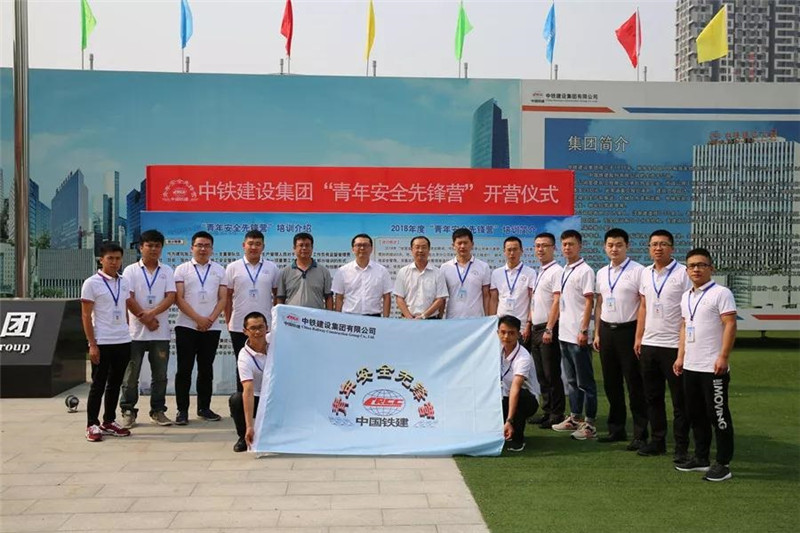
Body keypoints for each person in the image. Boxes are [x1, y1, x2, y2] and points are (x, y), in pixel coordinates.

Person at [673, 248, 737, 482]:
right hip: (691, 366)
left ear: (711, 268)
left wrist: (723, 357)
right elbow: (684, 326)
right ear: (687, 270)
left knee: (718, 416)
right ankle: (701, 458)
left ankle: (723, 464)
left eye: (701, 265)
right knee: (696, 414)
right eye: (691, 266)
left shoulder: (721, 293)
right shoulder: (686, 296)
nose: (696, 269)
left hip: (713, 368)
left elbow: (730, 324)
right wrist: (680, 356)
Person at [634, 230, 692, 461]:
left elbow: (689, 312)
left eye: (663, 244)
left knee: (680, 400)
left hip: (674, 346)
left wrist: (683, 348)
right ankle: (657, 441)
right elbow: (643, 307)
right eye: (654, 244)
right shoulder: (645, 273)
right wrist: (639, 337)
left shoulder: (683, 273)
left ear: (672, 248)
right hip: (649, 344)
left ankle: (681, 446)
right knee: (652, 397)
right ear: (649, 248)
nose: (658, 248)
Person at [593, 228, 648, 450]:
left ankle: (640, 433)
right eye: (610, 245)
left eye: (619, 245)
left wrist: (639, 336)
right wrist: (597, 332)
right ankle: (616, 429)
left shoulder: (638, 271)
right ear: (604, 247)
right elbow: (600, 304)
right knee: (611, 382)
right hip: (607, 331)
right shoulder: (601, 273)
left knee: (634, 384)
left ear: (627, 246)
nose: (614, 249)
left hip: (629, 331)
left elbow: (644, 305)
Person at [120, 229, 177, 428]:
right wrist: (144, 319)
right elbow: (128, 297)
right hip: (135, 333)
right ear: (140, 247)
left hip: (160, 332)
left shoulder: (167, 271)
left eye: (157, 246)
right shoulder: (130, 271)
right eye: (149, 245)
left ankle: (158, 410)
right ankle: (128, 410)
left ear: (162, 248)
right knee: (131, 375)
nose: (153, 249)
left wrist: (151, 315)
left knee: (160, 375)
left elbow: (171, 297)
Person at [174, 231, 228, 425]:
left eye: (207, 245)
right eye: (199, 245)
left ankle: (204, 408)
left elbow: (223, 298)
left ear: (212, 249)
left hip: (211, 327)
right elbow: (178, 298)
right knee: (184, 370)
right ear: (192, 248)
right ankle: (182, 411)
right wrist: (197, 318)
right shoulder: (182, 269)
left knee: (206, 370)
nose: (203, 249)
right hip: (186, 326)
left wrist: (210, 319)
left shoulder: (220, 270)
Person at [80, 242, 132, 442]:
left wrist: (127, 329)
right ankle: (91, 424)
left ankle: (109, 420)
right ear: (101, 260)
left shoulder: (124, 281)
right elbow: (86, 316)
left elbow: (124, 307)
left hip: (123, 340)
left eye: (118, 258)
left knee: (116, 383)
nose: (114, 262)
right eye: (110, 258)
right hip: (102, 340)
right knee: (98, 384)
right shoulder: (91, 283)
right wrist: (92, 344)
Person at [551, 230, 598, 441]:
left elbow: (589, 302)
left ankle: (590, 423)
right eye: (564, 244)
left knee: (585, 382)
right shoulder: (564, 270)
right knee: (570, 380)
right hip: (565, 334)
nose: (567, 248)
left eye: (571, 244)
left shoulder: (585, 271)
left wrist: (584, 329)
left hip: (578, 335)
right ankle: (575, 417)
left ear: (580, 246)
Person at [224, 229, 279, 391]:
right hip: (239, 326)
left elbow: (277, 295)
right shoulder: (233, 267)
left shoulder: (272, 267)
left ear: (263, 247)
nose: (254, 247)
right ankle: (242, 401)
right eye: (250, 244)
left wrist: (274, 322)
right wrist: (229, 320)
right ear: (244, 245)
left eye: (258, 244)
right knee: (242, 364)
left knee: (267, 365)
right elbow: (227, 296)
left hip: (265, 327)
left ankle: (264, 400)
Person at [527, 232, 566, 429]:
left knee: (551, 374)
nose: (540, 249)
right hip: (536, 328)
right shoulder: (540, 271)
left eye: (545, 245)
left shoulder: (557, 271)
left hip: (548, 328)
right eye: (537, 246)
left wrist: (549, 328)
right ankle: (547, 410)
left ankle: (557, 414)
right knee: (541, 374)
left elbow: (557, 301)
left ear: (554, 248)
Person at [228, 311, 273, 453]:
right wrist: (249, 427)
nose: (258, 332)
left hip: (276, 396)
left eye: (261, 327)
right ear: (245, 331)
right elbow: (248, 389)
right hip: (258, 398)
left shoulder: (276, 343)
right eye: (253, 328)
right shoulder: (244, 356)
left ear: (267, 328)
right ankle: (243, 437)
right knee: (236, 399)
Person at [498, 315, 539, 452]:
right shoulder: (496, 350)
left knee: (519, 397)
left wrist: (509, 420)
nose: (506, 337)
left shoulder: (523, 357)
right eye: (503, 332)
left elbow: (516, 387)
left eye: (511, 333)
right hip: (503, 395)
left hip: (526, 399)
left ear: (518, 334)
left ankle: (517, 438)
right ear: (497, 332)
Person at [332, 233, 393, 317]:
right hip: (349, 317)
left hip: (374, 317)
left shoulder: (382, 271)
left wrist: (385, 320)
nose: (362, 248)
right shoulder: (342, 271)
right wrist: (338, 319)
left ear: (371, 249)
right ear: (353, 249)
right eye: (358, 245)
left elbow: (387, 296)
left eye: (365, 245)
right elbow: (339, 297)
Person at [489, 237, 536, 342]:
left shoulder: (530, 273)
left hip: (521, 328)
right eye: (509, 250)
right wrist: (492, 323)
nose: (512, 253)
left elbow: (533, 300)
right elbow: (493, 300)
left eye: (515, 249)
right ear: (504, 252)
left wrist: (529, 323)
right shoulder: (496, 273)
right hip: (501, 327)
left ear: (521, 251)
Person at [440, 227, 491, 318]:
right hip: (452, 318)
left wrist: (487, 317)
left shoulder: (483, 267)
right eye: (459, 243)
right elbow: (442, 297)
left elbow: (486, 295)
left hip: (476, 319)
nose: (462, 246)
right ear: (453, 245)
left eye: (465, 243)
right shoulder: (445, 267)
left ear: (472, 244)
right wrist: (440, 318)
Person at [394, 236, 448, 319]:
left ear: (429, 250)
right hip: (407, 320)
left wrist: (423, 316)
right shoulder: (403, 272)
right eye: (417, 247)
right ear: (411, 250)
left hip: (430, 320)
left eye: (424, 247)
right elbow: (399, 298)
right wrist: (409, 317)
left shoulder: (438, 273)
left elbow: (440, 299)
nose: (420, 250)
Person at [276, 232, 333, 310]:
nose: (304, 248)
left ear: (312, 248)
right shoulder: (285, 272)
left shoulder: (323, 271)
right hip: (292, 316)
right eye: (301, 245)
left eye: (307, 245)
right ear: (294, 248)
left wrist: (329, 315)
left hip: (316, 316)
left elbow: (328, 297)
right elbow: (280, 298)